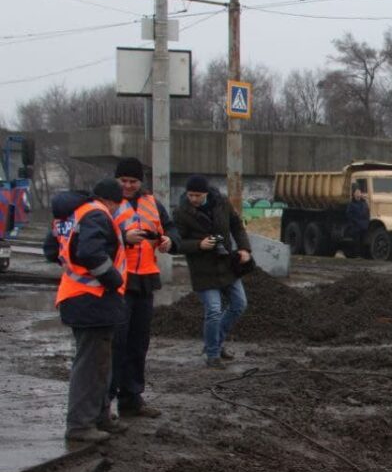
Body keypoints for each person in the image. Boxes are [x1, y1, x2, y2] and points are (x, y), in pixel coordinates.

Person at [46, 180, 129, 443]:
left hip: (78, 298)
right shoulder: (96, 213)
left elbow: (51, 250)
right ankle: (81, 424)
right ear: (113, 201)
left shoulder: (70, 214)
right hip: (92, 299)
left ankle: (99, 416)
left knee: (100, 362)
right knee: (91, 364)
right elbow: (90, 253)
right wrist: (113, 279)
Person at [108, 157, 180, 418]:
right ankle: (106, 401)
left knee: (139, 343)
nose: (128, 185)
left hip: (145, 280)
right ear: (116, 180)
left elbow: (171, 228)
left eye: (133, 181)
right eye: (123, 180)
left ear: (141, 182)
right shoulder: (107, 204)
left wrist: (170, 241)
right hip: (118, 282)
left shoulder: (152, 203)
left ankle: (132, 397)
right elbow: (97, 238)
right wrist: (123, 239)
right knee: (117, 342)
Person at [174, 175, 252, 369]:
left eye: (197, 195)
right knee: (214, 311)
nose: (193, 199)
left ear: (206, 194)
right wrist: (198, 244)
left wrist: (244, 249)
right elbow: (176, 243)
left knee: (239, 304)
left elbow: (236, 226)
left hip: (226, 265)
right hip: (203, 270)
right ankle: (213, 354)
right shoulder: (182, 213)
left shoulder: (222, 203)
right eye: (191, 195)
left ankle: (215, 341)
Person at [345, 184, 369, 257]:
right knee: (356, 242)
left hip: (364, 226)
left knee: (363, 241)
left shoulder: (364, 203)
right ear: (354, 194)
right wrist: (354, 222)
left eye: (359, 192)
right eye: (357, 193)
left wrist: (367, 221)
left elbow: (367, 212)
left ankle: (363, 255)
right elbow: (349, 214)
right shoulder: (351, 204)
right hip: (356, 226)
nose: (358, 194)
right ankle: (357, 255)